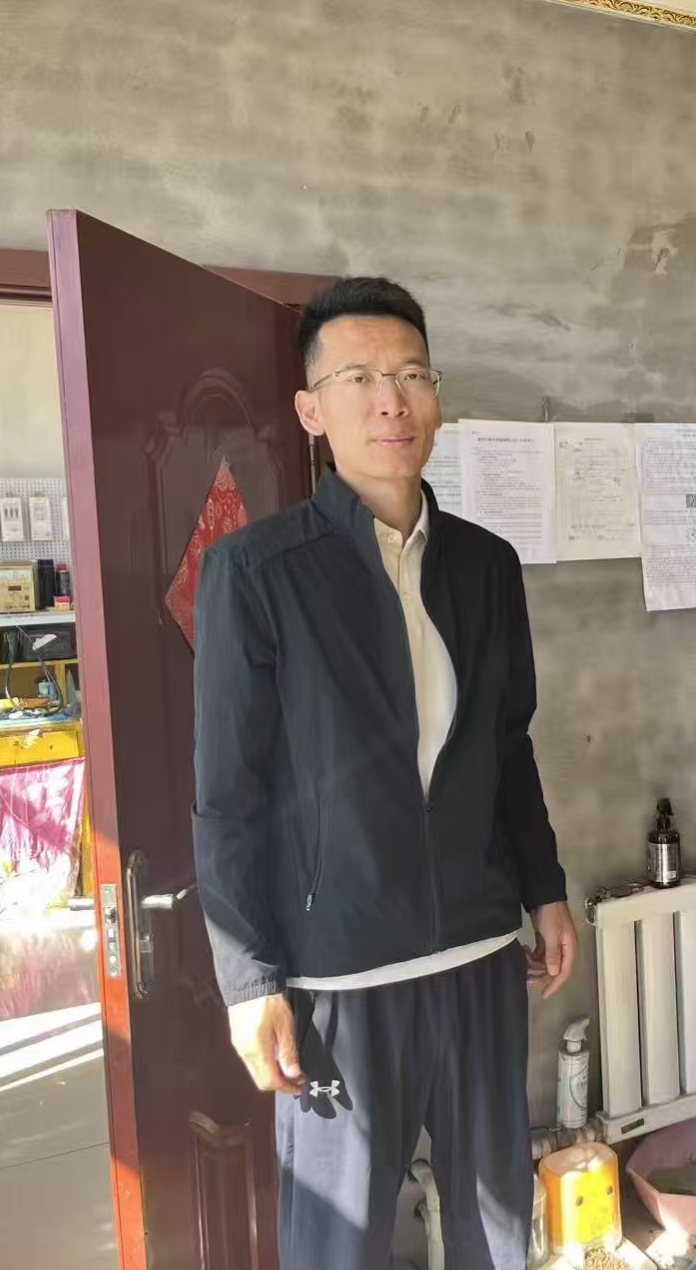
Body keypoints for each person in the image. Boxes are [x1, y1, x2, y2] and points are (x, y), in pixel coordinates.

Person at [191, 276, 577, 1270]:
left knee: (497, 1222)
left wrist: (545, 890)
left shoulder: (485, 566)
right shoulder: (258, 573)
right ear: (311, 411)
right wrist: (248, 981)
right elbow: (227, 796)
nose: (390, 401)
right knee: (340, 1242)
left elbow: (508, 743)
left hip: (478, 955)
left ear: (436, 398)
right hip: (341, 976)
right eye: (359, 378)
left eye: (411, 375)